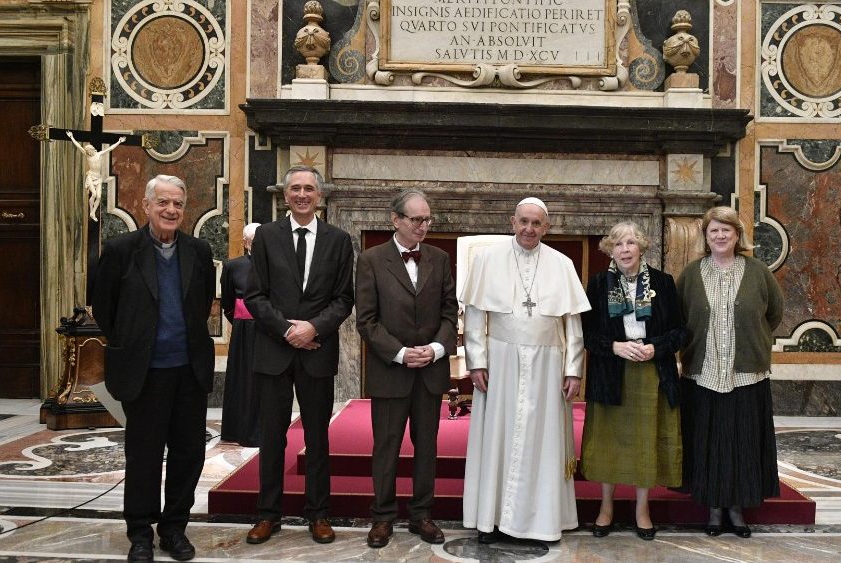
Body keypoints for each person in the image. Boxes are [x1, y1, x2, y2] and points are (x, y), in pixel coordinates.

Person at [92, 174, 216, 562]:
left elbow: (201, 306)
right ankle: (141, 533)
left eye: (177, 203)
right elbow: (104, 309)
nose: (170, 210)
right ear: (146, 206)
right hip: (143, 373)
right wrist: (136, 343)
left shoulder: (198, 251)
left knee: (188, 454)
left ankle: (174, 528)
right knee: (144, 456)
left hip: (188, 371)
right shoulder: (120, 249)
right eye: (162, 202)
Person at [460, 197, 591, 543]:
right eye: (523, 222)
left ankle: (540, 522)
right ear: (512, 221)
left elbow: (573, 324)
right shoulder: (487, 259)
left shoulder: (561, 264)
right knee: (498, 438)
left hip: (549, 363)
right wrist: (477, 361)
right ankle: (491, 520)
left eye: (536, 223)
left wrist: (573, 369)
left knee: (543, 442)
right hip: (500, 361)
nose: (529, 229)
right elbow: (474, 317)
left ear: (546, 228)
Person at [243, 165, 354, 545]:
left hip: (317, 351)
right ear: (284, 194)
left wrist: (313, 329)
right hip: (274, 351)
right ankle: (268, 515)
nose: (302, 194)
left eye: (309, 188)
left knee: (318, 438)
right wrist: (289, 331)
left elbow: (344, 299)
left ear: (319, 196)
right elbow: (254, 295)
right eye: (296, 188)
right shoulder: (267, 236)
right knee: (272, 436)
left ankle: (318, 514)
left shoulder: (338, 241)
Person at [355, 189, 458, 548]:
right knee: (386, 446)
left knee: (426, 446)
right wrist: (400, 353)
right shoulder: (371, 260)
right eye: (416, 219)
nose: (423, 226)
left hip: (429, 371)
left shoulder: (440, 258)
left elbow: (449, 312)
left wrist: (433, 349)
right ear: (395, 220)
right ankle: (382, 517)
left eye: (427, 219)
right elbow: (366, 321)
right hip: (391, 371)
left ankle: (421, 515)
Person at [676, 205, 783, 539]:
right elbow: (679, 318)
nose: (720, 236)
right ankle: (712, 508)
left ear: (738, 235)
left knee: (742, 442)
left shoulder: (758, 272)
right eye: (714, 231)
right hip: (703, 375)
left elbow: (774, 313)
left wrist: (754, 342)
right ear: (705, 238)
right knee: (708, 441)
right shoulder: (692, 274)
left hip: (746, 375)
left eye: (727, 230)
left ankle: (737, 509)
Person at [580, 221, 686, 541]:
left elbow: (680, 331)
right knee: (609, 442)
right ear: (610, 250)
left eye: (630, 243)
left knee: (646, 442)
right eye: (618, 244)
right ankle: (607, 508)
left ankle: (642, 510)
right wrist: (615, 346)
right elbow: (586, 332)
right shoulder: (598, 284)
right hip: (611, 372)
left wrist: (655, 347)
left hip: (652, 373)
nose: (624, 250)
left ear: (641, 247)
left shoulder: (663, 283)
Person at [219, 222, 262, 447]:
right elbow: (227, 303)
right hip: (244, 331)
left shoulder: (275, 264)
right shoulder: (233, 266)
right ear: (245, 243)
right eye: (253, 241)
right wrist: (240, 322)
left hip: (268, 330)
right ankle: (238, 429)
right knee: (242, 380)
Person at [66, 130, 126, 221]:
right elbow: (78, 146)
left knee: (98, 196)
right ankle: (91, 211)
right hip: (90, 176)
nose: (89, 152)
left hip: (98, 178)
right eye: (88, 152)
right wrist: (71, 137)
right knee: (93, 194)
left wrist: (119, 141)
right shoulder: (87, 156)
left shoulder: (99, 154)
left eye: (89, 151)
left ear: (92, 150)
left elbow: (110, 149)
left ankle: (92, 212)